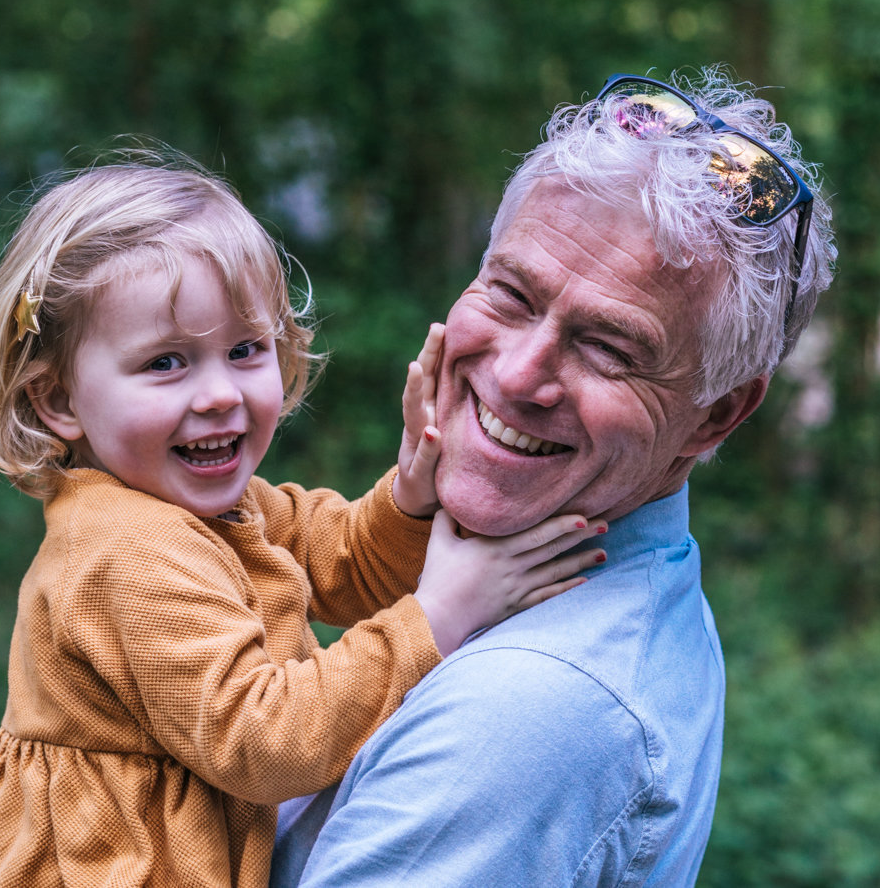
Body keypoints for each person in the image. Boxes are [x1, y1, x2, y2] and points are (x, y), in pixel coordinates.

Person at [0, 151, 607, 887]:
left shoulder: (219, 510)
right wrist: (440, 613)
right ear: (56, 400)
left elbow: (346, 563)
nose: (220, 393)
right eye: (165, 363)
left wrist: (410, 498)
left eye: (245, 349)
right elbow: (265, 743)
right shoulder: (125, 549)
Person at [272, 66, 836, 886]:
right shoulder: (601, 581)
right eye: (509, 293)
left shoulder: (532, 709)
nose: (515, 375)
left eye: (609, 348)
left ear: (715, 416)